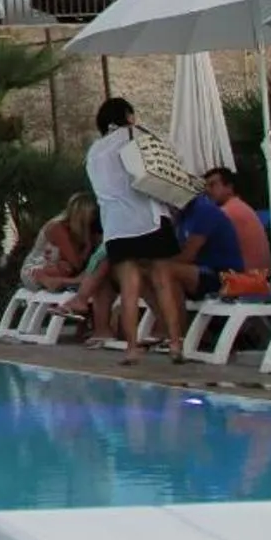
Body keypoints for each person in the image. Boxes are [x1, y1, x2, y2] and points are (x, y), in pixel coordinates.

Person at [84, 97, 182, 362]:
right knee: (162, 282)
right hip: (148, 217)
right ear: (128, 116)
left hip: (116, 226)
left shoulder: (94, 152)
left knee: (129, 287)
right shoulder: (135, 135)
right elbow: (164, 166)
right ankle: (175, 344)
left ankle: (131, 348)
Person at [161, 184, 247, 305]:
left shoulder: (204, 210)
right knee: (147, 275)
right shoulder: (183, 214)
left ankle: (175, 323)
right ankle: (166, 320)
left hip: (226, 277)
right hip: (203, 271)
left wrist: (155, 263)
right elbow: (176, 249)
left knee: (164, 271)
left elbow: (187, 255)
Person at [21, 195, 99, 291]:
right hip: (34, 271)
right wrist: (88, 244)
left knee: (67, 267)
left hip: (54, 268)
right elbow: (77, 264)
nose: (94, 217)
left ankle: (61, 282)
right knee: (66, 267)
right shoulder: (57, 227)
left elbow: (80, 263)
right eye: (93, 213)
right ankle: (59, 282)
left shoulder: (76, 231)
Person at [202, 167, 271, 273]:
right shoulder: (240, 206)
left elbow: (200, 243)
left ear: (229, 187)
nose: (207, 191)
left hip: (244, 279)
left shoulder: (226, 212)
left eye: (212, 185)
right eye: (206, 186)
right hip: (260, 277)